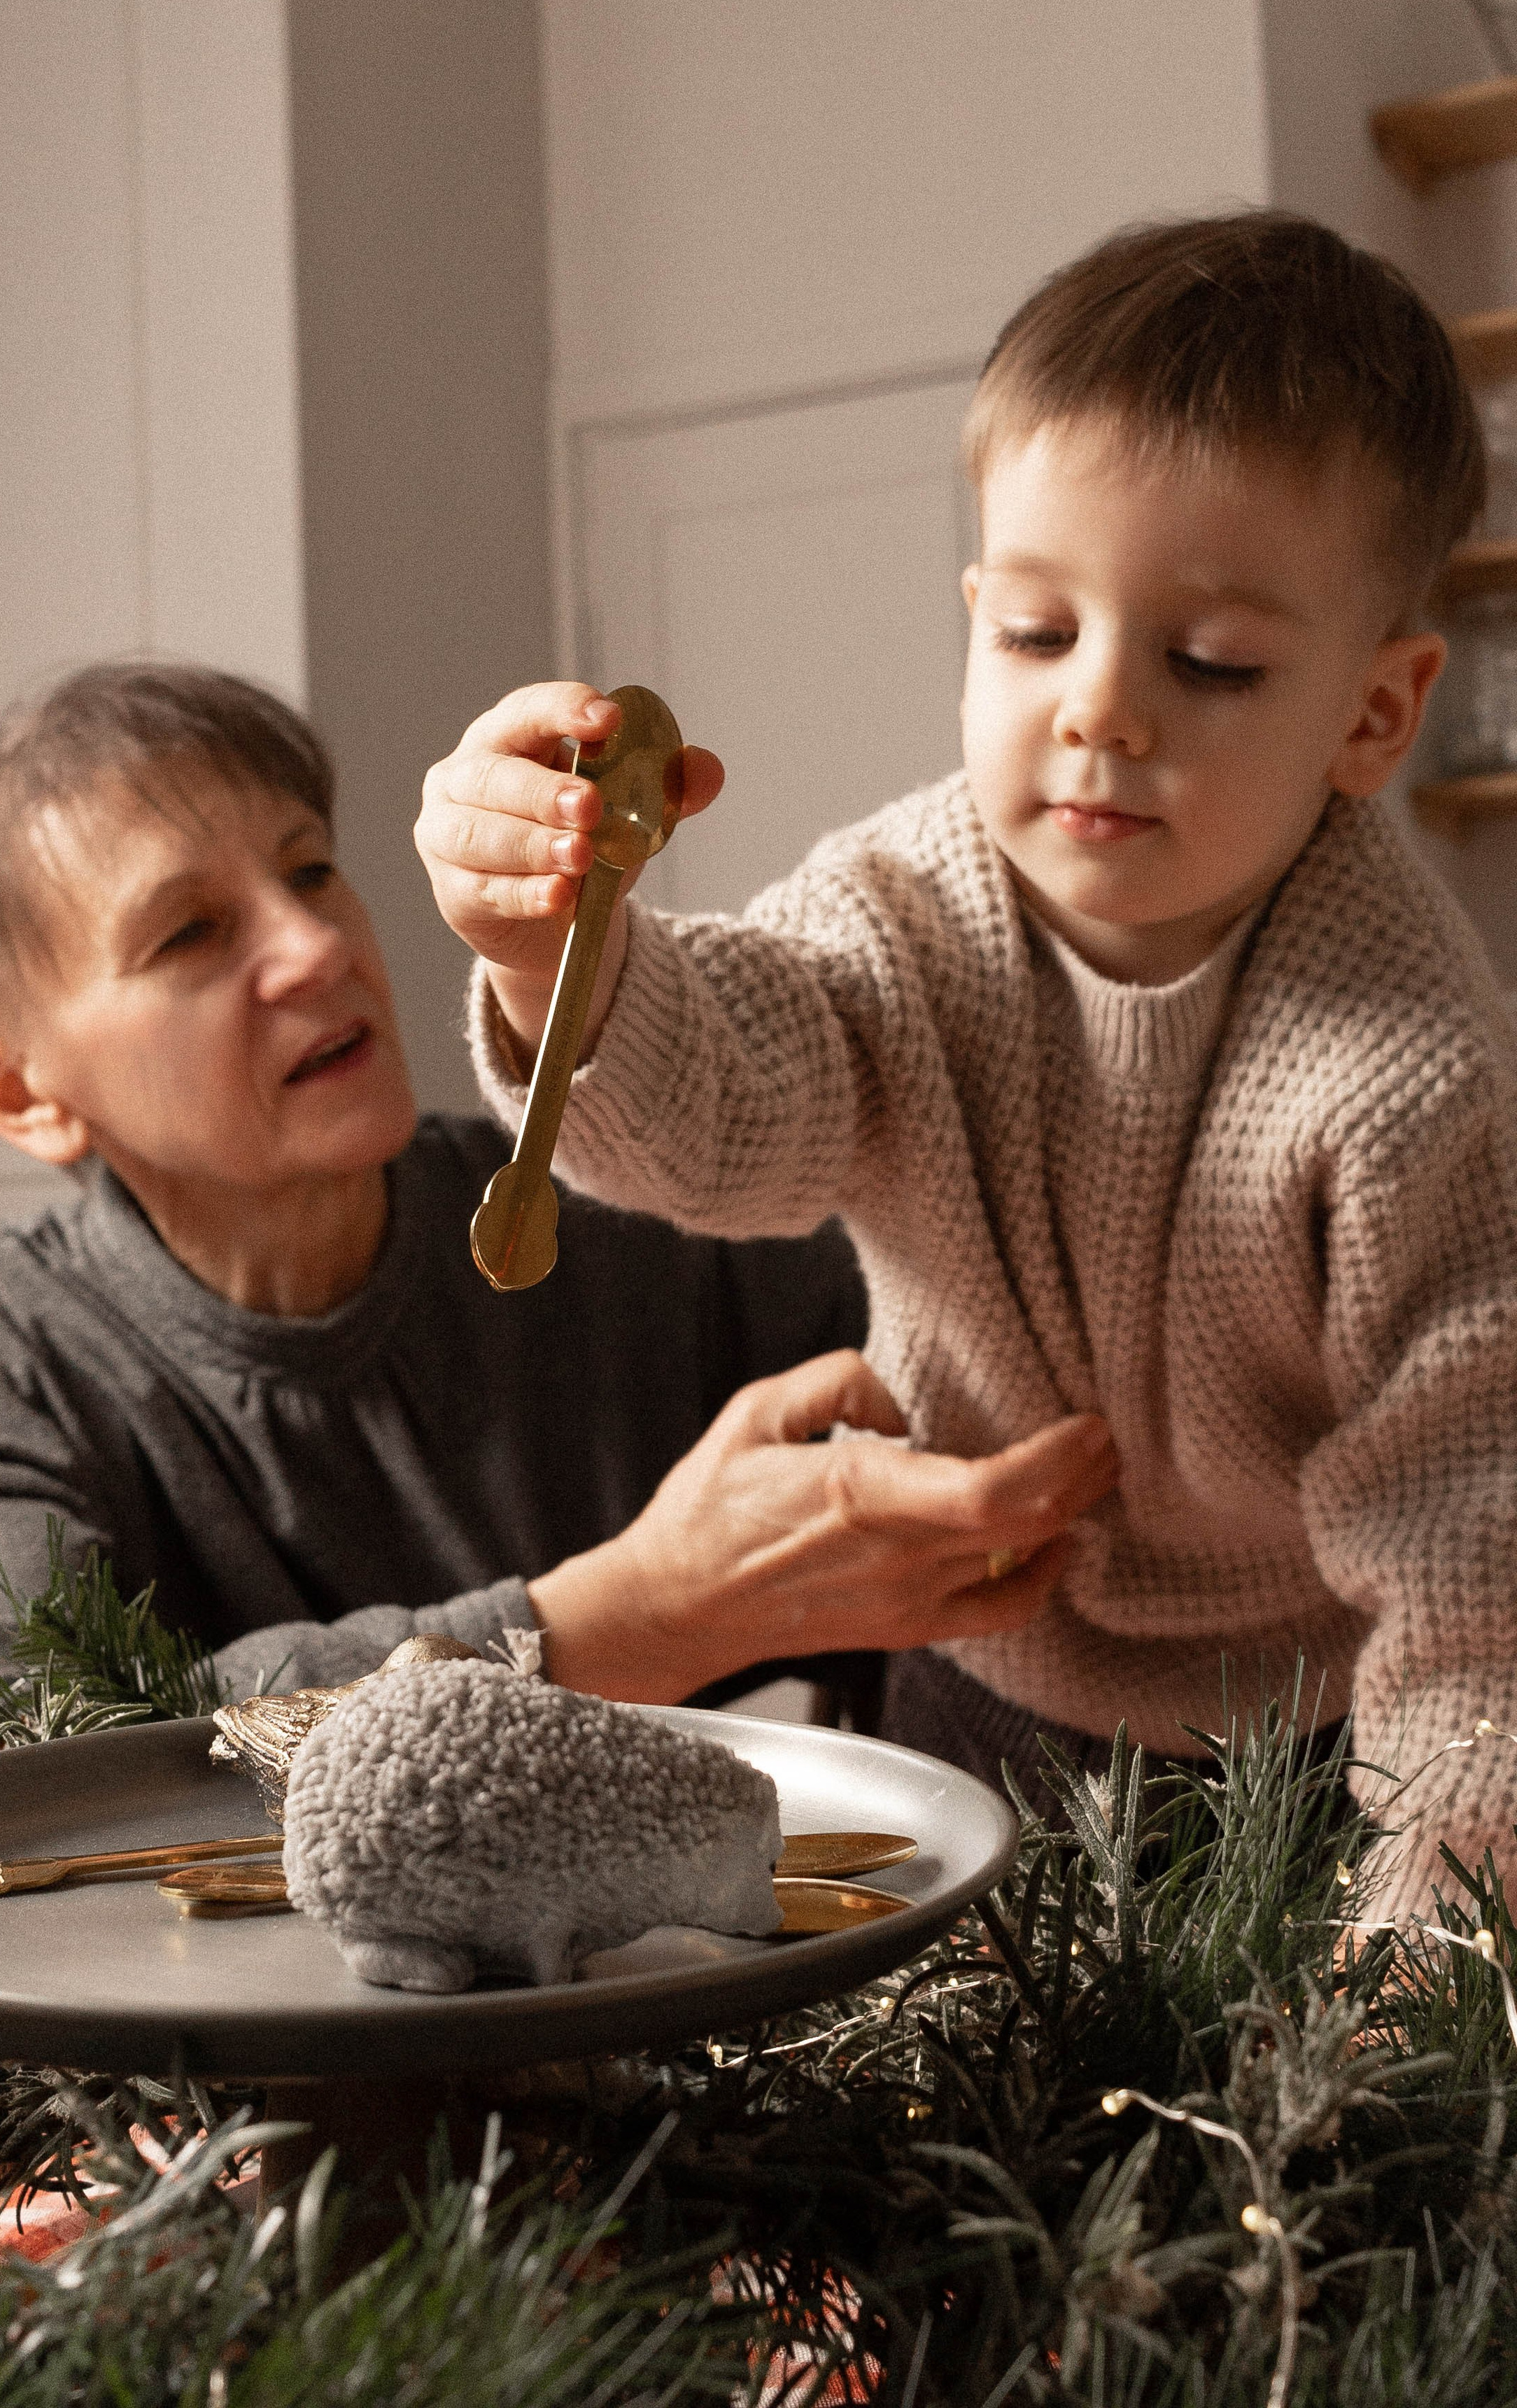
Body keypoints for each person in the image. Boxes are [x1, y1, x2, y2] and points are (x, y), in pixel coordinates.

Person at [416, 210, 1517, 1925]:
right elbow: (721, 1119)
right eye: (1030, 633)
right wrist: (561, 955)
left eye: (1207, 661)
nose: (1098, 710)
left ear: (1373, 716)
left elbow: (1474, 1607)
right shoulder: (904, 908)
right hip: (971, 1685)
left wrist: (1420, 1961)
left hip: (1326, 1751)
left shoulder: (1409, 1077)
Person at [0, 663, 1114, 1793]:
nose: (317, 944)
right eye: (191, 933)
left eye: (311, 867)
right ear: (18, 1093)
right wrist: (615, 1626)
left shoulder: (627, 1206)